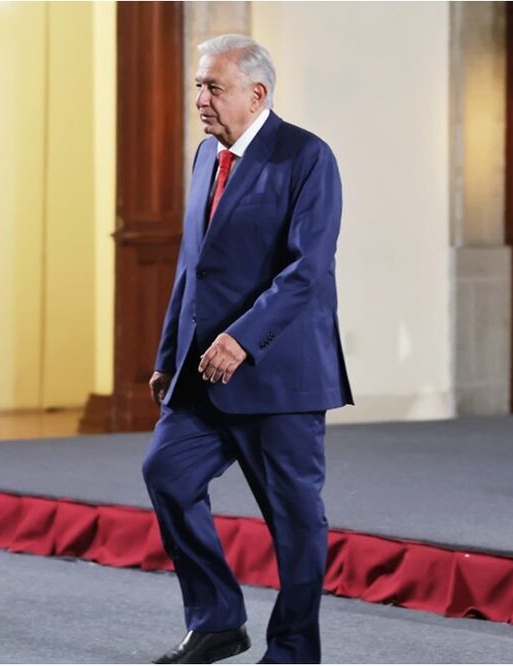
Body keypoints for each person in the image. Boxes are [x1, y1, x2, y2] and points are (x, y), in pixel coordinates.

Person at [142, 34, 353, 664]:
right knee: (166, 474)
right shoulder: (206, 156)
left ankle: (292, 651)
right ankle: (217, 621)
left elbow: (307, 270)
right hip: (203, 371)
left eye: (214, 87)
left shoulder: (307, 157)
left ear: (257, 93)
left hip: (279, 375)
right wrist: (167, 353)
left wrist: (242, 338)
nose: (200, 99)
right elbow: (193, 267)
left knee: (294, 522)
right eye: (199, 86)